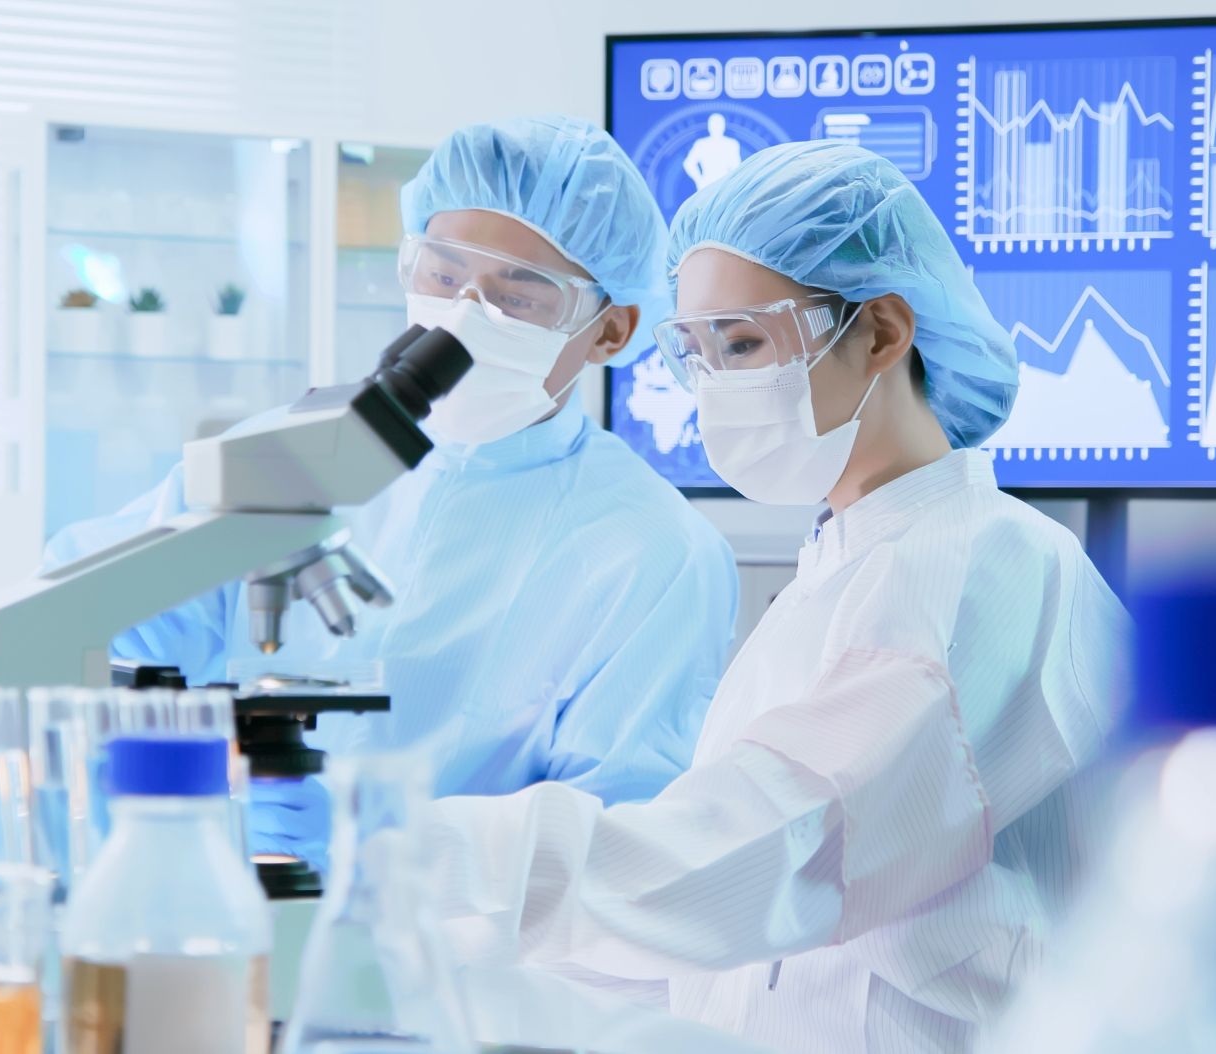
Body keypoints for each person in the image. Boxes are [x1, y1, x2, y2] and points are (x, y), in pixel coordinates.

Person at [417, 141, 1132, 1052]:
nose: (716, 385)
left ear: (881, 331)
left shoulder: (981, 564)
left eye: (745, 342)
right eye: (696, 353)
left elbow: (778, 847)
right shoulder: (843, 566)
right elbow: (719, 950)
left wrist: (444, 860)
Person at [44, 115, 739, 854]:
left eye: (520, 297)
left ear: (610, 330)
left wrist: (389, 843)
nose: (465, 317)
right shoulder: (292, 451)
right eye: (443, 275)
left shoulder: (653, 551)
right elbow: (97, 627)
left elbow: (614, 849)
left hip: (460, 954)